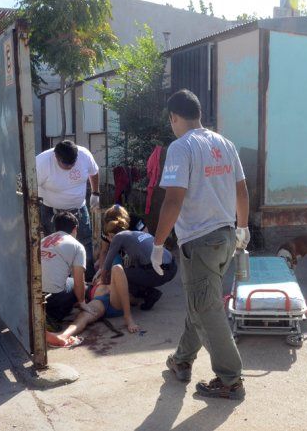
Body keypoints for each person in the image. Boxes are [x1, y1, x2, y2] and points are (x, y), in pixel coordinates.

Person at [152, 89, 250, 400]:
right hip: (225, 237)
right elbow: (242, 192)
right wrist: (243, 229)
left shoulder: (181, 148)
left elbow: (173, 199)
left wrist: (157, 245)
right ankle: (181, 360)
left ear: (174, 118)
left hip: (199, 241)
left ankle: (230, 379)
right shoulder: (224, 143)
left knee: (206, 309)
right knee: (201, 303)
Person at [37, 140, 100, 279]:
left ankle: (88, 278)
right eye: (66, 164)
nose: (70, 166)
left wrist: (95, 193)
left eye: (73, 163)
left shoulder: (84, 155)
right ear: (56, 157)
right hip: (51, 210)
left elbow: (94, 172)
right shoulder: (42, 162)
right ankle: (58, 282)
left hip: (78, 208)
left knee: (85, 242)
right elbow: (23, 185)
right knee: (54, 246)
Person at [48, 263, 141, 348]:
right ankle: (62, 335)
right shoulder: (89, 287)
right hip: (99, 302)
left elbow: (132, 299)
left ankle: (128, 317)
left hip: (115, 300)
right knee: (84, 316)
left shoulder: (113, 280)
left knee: (117, 268)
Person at [99, 219, 176, 311]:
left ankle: (149, 293)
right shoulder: (135, 234)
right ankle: (147, 291)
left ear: (111, 235)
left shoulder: (117, 237)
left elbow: (106, 267)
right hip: (172, 267)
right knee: (134, 270)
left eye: (108, 239)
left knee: (120, 274)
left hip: (160, 272)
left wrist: (102, 283)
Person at [40, 211, 87, 332]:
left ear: (56, 227)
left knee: (66, 282)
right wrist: (83, 303)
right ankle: (53, 317)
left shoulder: (42, 240)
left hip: (33, 294)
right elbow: (78, 282)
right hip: (53, 298)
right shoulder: (77, 246)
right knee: (84, 287)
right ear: (75, 228)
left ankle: (43, 313)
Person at [94, 204, 147, 272]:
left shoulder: (135, 221)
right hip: (116, 252)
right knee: (101, 265)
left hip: (137, 253)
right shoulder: (107, 227)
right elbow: (104, 251)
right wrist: (101, 270)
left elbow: (147, 241)